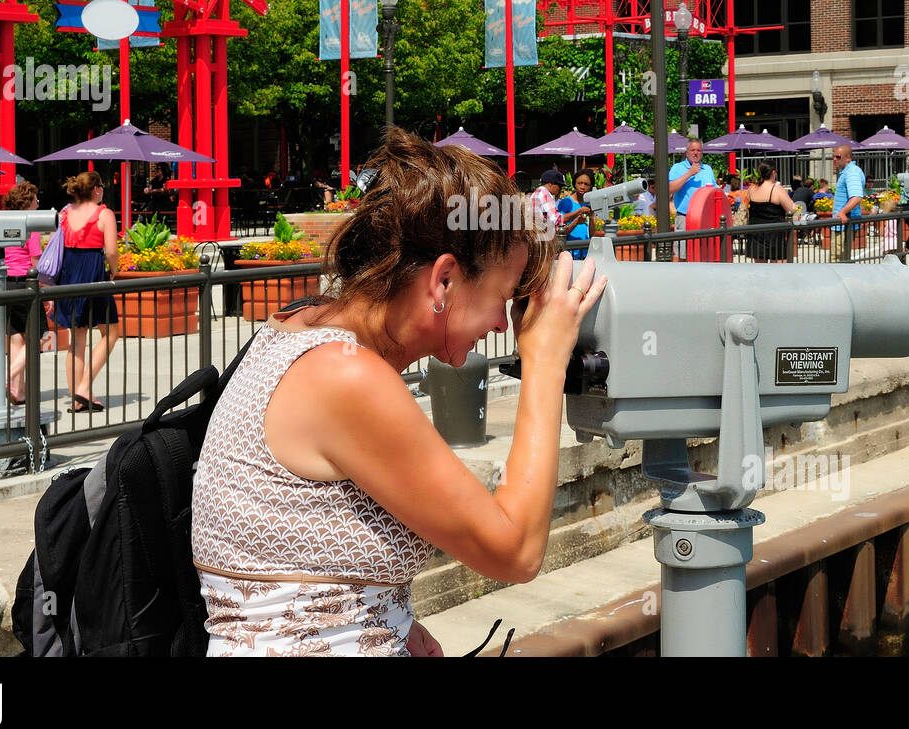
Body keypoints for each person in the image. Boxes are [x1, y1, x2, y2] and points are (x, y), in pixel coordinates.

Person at [189, 127, 606, 656]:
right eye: (503, 295)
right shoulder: (343, 376)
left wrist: (390, 616)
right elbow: (516, 551)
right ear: (445, 280)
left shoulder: (300, 327)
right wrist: (545, 361)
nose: (504, 323)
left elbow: (300, 558)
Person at [53, 171, 120, 413]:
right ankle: (83, 387)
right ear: (95, 190)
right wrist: (114, 270)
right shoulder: (104, 214)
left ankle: (77, 397)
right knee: (110, 332)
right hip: (92, 272)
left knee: (77, 338)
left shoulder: (64, 212)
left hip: (68, 273)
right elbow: (111, 251)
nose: (103, 189)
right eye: (101, 185)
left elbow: (54, 240)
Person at [0, 182, 44, 405]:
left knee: (17, 336)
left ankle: (19, 390)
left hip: (7, 283)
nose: (38, 204)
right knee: (37, 336)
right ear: (27, 203)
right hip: (27, 283)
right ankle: (9, 376)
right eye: (36, 200)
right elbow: (35, 262)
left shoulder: (5, 223)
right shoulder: (31, 227)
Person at [668, 139, 717, 260]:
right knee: (682, 255)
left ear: (702, 153)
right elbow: (670, 189)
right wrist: (689, 173)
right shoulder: (677, 168)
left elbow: (715, 192)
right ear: (687, 153)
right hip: (685, 217)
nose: (696, 153)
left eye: (699, 150)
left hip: (705, 219)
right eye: (693, 150)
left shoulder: (708, 169)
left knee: (704, 254)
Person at [745, 160, 796, 263]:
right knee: (779, 272)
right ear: (773, 172)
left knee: (761, 272)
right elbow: (792, 209)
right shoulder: (777, 189)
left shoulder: (751, 189)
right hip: (775, 235)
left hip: (756, 233)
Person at [830, 145, 865, 262]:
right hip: (843, 223)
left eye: (838, 157)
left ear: (848, 157)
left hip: (843, 224)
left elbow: (856, 196)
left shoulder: (851, 172)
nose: (835, 159)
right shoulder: (849, 171)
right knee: (842, 260)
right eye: (833, 156)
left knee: (837, 260)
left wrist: (843, 212)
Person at [556, 170, 595, 260]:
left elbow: (592, 234)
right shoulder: (566, 202)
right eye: (579, 183)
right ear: (574, 184)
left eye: (586, 184)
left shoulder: (590, 203)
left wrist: (592, 217)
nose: (582, 187)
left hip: (585, 252)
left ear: (591, 187)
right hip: (569, 253)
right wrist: (577, 219)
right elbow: (561, 233)